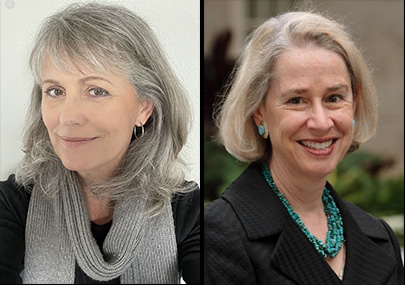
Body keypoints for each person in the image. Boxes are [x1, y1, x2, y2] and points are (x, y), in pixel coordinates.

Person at [0, 3, 200, 284]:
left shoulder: (189, 210)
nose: (67, 117)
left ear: (144, 107)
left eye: (97, 91)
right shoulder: (12, 203)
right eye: (55, 91)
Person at [204, 10, 404, 285]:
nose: (321, 122)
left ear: (354, 102)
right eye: (297, 100)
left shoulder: (378, 236)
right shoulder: (218, 234)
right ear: (259, 111)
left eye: (334, 98)